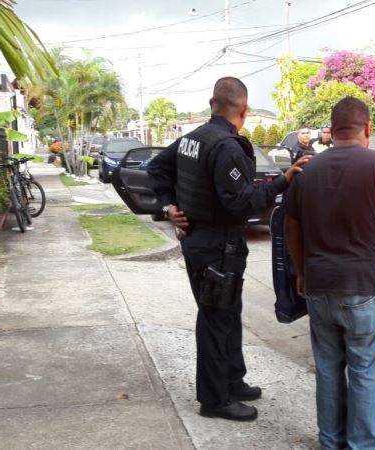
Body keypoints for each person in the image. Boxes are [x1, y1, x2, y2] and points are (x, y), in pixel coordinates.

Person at [147, 76, 308, 422]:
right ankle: (215, 399)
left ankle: (233, 381)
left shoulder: (191, 139)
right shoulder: (226, 147)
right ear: (244, 110)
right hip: (217, 247)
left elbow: (156, 168)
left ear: (212, 103)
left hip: (200, 243)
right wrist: (283, 181)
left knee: (228, 313)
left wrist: (167, 205)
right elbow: (242, 203)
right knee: (215, 320)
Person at [284, 97, 375, 449]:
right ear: (367, 128)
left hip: (319, 287)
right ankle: (362, 446)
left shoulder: (308, 170)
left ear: (333, 128)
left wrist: (301, 272)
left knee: (327, 369)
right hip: (364, 288)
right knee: (364, 371)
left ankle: (331, 442)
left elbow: (291, 227)